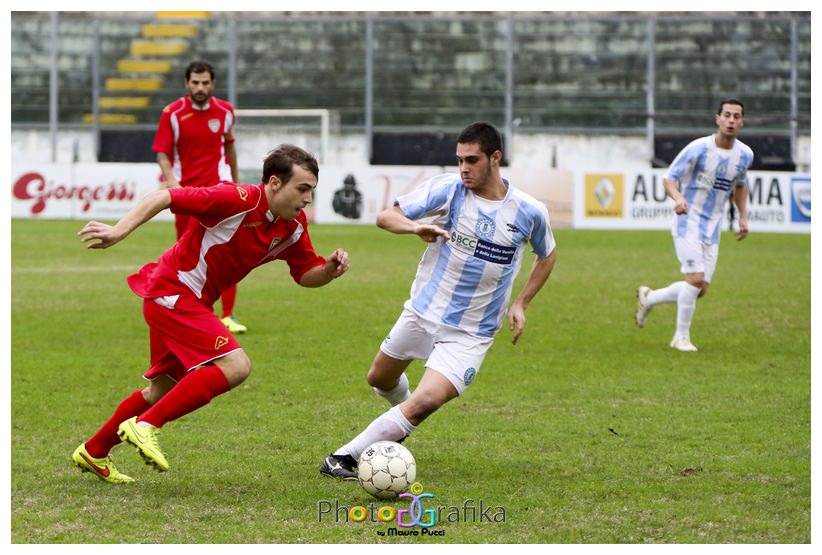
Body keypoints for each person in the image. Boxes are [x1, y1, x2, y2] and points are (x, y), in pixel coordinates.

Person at [72, 145, 349, 483]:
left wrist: (329, 270)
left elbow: (306, 272)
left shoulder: (293, 226)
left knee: (161, 390)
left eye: (311, 191)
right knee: (236, 365)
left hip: (188, 302)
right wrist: (119, 230)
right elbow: (165, 197)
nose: (308, 199)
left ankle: (94, 451)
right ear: (275, 183)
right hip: (172, 290)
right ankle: (145, 425)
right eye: (302, 189)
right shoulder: (237, 198)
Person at [320, 122, 556, 479]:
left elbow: (547, 255)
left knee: (428, 401)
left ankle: (345, 457)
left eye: (472, 160)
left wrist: (521, 302)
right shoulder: (449, 189)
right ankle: (402, 416)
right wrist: (416, 228)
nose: (464, 168)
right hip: (422, 312)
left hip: (471, 333)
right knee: (379, 379)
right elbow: (387, 216)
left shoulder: (529, 211)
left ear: (495, 158)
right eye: (459, 159)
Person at [635, 98, 753, 352]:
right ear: (718, 118)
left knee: (699, 289)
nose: (731, 120)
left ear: (742, 121)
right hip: (687, 220)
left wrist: (743, 216)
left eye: (736, 116)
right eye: (727, 115)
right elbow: (669, 178)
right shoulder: (699, 149)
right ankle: (680, 337)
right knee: (696, 279)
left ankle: (650, 298)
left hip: (713, 227)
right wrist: (678, 199)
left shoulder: (744, 155)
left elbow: (740, 185)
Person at [153, 60, 247, 334]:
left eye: (205, 82)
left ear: (213, 84)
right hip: (187, 196)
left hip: (220, 191)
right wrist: (174, 187)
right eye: (195, 82)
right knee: (188, 254)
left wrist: (236, 183)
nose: (200, 87)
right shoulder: (172, 113)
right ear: (186, 83)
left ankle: (227, 315)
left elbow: (230, 147)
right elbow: (163, 153)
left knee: (229, 252)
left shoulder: (226, 112)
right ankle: (195, 311)